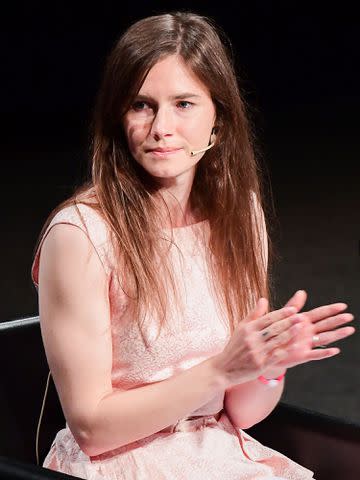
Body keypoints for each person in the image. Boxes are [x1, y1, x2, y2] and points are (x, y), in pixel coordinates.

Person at [31, 11, 355, 480]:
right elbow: (92, 428)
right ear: (118, 117)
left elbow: (240, 413)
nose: (162, 127)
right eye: (141, 105)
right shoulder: (81, 233)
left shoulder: (239, 214)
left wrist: (266, 366)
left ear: (217, 122)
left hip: (215, 453)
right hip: (120, 466)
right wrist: (222, 369)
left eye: (183, 104)